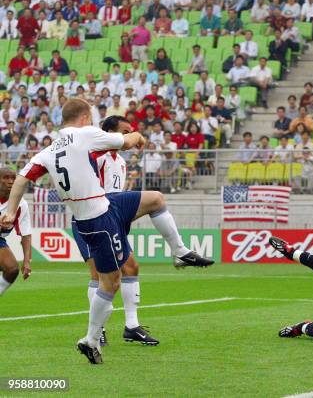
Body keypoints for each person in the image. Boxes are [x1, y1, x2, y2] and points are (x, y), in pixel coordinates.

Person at [0, 98, 214, 364]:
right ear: (84, 118)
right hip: (98, 219)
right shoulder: (84, 134)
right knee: (110, 282)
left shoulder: (49, 150)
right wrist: (137, 136)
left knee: (156, 199)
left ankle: (181, 252)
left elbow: (21, 178)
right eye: (90, 117)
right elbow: (125, 141)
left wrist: (9, 211)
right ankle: (91, 339)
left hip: (104, 205)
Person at [70, 116, 158, 347]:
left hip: (112, 219)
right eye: (124, 131)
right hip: (90, 219)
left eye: (131, 131)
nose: (129, 134)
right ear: (108, 133)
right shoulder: (96, 156)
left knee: (131, 267)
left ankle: (131, 326)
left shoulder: (119, 160)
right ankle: (98, 331)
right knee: (98, 275)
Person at [0, 168, 32, 297]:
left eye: (13, 178)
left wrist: (26, 261)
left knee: (12, 269)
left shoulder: (21, 204)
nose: (10, 181)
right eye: (6, 178)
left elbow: (26, 235)